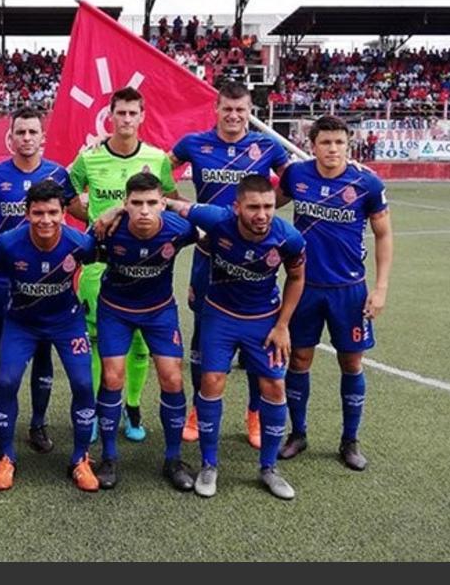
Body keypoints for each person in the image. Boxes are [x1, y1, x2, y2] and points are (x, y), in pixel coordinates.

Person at [169, 81, 291, 449]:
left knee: (260, 337)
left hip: (254, 259)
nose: (234, 116)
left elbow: (295, 182)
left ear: (249, 111)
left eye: (241, 110)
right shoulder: (194, 143)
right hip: (209, 256)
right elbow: (159, 173)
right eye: (228, 109)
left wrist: (265, 216)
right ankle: (196, 407)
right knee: (202, 335)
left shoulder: (267, 146)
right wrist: (192, 214)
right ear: (216, 109)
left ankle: (254, 413)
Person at [173, 174, 305, 500]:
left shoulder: (288, 238)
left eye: (268, 207)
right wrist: (112, 213)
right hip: (220, 317)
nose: (262, 215)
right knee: (211, 381)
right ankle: (209, 464)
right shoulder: (217, 220)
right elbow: (172, 204)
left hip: (264, 321)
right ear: (236, 207)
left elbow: (297, 277)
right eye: (253, 207)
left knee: (274, 385)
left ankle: (269, 468)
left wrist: (283, 325)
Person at [0, 107, 79, 454]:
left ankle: (37, 424)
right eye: (20, 133)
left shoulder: (58, 174)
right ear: (10, 137)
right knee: (2, 351)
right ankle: (0, 421)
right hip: (5, 280)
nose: (26, 138)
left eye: (32, 132)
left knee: (43, 350)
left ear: (43, 137)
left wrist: (114, 217)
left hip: (50, 280)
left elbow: (81, 212)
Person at [276, 115, 393, 471]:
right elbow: (266, 202)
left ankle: (350, 440)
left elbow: (384, 234)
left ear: (348, 145)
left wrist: (381, 288)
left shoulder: (367, 183)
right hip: (304, 287)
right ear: (312, 144)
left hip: (349, 291)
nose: (333, 149)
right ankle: (298, 433)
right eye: (326, 142)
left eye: (339, 143)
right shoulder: (296, 175)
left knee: (351, 362)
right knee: (298, 360)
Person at [69, 86, 181, 443]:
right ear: (111, 115)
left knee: (141, 346)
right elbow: (66, 194)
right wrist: (94, 220)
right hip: (100, 266)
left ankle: (132, 406)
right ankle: (92, 410)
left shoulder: (158, 158)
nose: (127, 120)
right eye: (121, 113)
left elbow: (170, 200)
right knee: (96, 341)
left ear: (142, 116)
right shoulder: (89, 159)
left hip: (146, 266)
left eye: (134, 113)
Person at [0, 180, 100, 491]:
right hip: (21, 323)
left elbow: (95, 259)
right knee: (7, 381)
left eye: (52, 212)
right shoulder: (7, 243)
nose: (45, 220)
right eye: (38, 213)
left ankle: (80, 459)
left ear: (65, 213)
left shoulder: (80, 243)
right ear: (27, 213)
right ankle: (6, 456)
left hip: (67, 322)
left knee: (83, 383)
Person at [90, 173, 198, 491]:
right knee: (112, 377)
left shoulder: (180, 229)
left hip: (159, 311)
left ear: (162, 203)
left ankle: (173, 458)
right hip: (115, 310)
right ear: (126, 205)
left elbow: (215, 227)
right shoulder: (107, 229)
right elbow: (78, 247)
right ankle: (109, 457)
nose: (145, 211)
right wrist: (107, 213)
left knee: (173, 377)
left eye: (152, 203)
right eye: (136, 204)